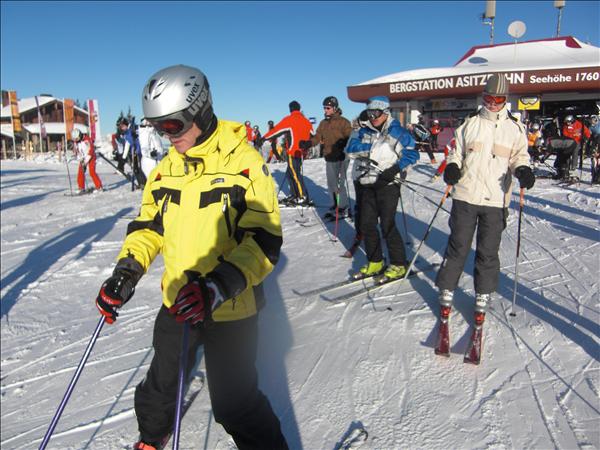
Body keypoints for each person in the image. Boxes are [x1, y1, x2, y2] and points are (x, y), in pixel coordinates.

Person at [94, 64, 288, 450]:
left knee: (235, 405)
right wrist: (126, 272)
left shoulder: (244, 163)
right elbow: (148, 227)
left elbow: (264, 241)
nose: (168, 136)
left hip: (231, 305)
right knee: (161, 384)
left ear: (200, 110)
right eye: (158, 127)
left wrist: (216, 287)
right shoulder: (165, 170)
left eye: (173, 125)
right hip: (180, 299)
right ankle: (152, 437)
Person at [435, 73, 534, 330]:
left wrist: (523, 169)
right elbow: (455, 151)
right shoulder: (470, 123)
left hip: (496, 200)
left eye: (498, 99)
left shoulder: (515, 129)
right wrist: (453, 166)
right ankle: (447, 289)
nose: (492, 103)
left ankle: (482, 293)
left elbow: (520, 156)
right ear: (483, 97)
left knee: (488, 251)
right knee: (458, 246)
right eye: (489, 98)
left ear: (505, 99)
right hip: (466, 196)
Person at [346, 96, 419, 282]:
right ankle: (375, 261)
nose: (372, 117)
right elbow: (351, 149)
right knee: (367, 224)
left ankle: (399, 264)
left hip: (388, 184)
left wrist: (394, 169)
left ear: (386, 112)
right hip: (367, 182)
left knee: (387, 224)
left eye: (376, 113)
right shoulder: (364, 130)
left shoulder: (397, 131)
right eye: (369, 113)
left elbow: (411, 154)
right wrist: (374, 148)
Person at [305, 96, 352, 219]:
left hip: (342, 157)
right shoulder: (323, 123)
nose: (325, 110)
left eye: (328, 108)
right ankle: (335, 205)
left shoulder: (344, 122)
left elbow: (350, 138)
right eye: (324, 108)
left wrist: (344, 144)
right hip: (330, 157)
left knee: (340, 184)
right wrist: (309, 143)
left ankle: (343, 207)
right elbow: (317, 137)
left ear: (335, 108)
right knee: (331, 184)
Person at [262, 100, 314, 206]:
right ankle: (294, 195)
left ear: (290, 109)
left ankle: (302, 196)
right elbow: (312, 135)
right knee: (290, 173)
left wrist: (263, 138)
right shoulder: (306, 121)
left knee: (294, 173)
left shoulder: (289, 119)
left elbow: (276, 131)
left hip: (293, 151)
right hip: (302, 152)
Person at [117, 116, 146, 188]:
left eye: (122, 126)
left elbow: (142, 135)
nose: (122, 128)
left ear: (125, 124)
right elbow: (127, 144)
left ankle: (145, 183)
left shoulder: (134, 128)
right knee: (135, 169)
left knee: (140, 168)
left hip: (140, 151)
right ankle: (141, 183)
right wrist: (123, 157)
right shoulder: (126, 133)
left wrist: (136, 134)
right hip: (134, 152)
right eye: (120, 127)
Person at [73, 128, 103, 194]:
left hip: (91, 157)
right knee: (80, 172)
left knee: (92, 172)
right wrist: (80, 159)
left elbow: (91, 151)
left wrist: (85, 162)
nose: (76, 140)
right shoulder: (76, 142)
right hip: (83, 158)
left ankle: (99, 187)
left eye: (77, 138)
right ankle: (81, 187)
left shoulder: (87, 140)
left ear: (80, 135)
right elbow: (77, 152)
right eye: (75, 139)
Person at [561, 114, 591, 181]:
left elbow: (586, 131)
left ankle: (573, 168)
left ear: (572, 121)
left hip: (577, 141)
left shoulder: (579, 124)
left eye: (569, 122)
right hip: (569, 142)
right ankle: (566, 168)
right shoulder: (566, 127)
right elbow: (565, 134)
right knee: (567, 154)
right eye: (567, 122)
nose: (568, 123)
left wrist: (586, 137)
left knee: (575, 153)